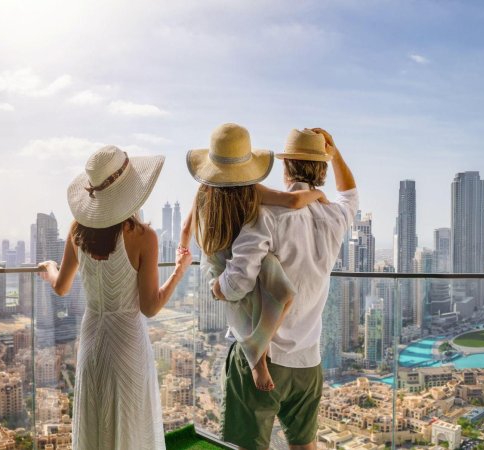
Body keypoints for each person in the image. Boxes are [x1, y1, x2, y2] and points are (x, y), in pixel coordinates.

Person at [213, 128, 357, 450]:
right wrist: (336, 154)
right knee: (305, 446)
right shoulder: (335, 216)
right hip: (308, 360)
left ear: (285, 167)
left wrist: (216, 287)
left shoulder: (267, 215)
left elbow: (237, 283)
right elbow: (349, 194)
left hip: (264, 356)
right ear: (322, 169)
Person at [38, 145, 190, 450]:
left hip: (92, 338)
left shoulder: (77, 230)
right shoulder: (143, 237)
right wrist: (179, 271)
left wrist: (50, 268)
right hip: (127, 342)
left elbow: (61, 287)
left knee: (95, 420)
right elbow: (149, 307)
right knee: (131, 424)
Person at [181, 123, 327, 391]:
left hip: (221, 260)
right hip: (226, 260)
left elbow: (186, 226)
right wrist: (317, 193)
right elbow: (293, 201)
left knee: (266, 295)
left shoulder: (204, 189)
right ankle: (257, 361)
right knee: (270, 295)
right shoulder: (253, 190)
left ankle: (256, 354)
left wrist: (183, 250)